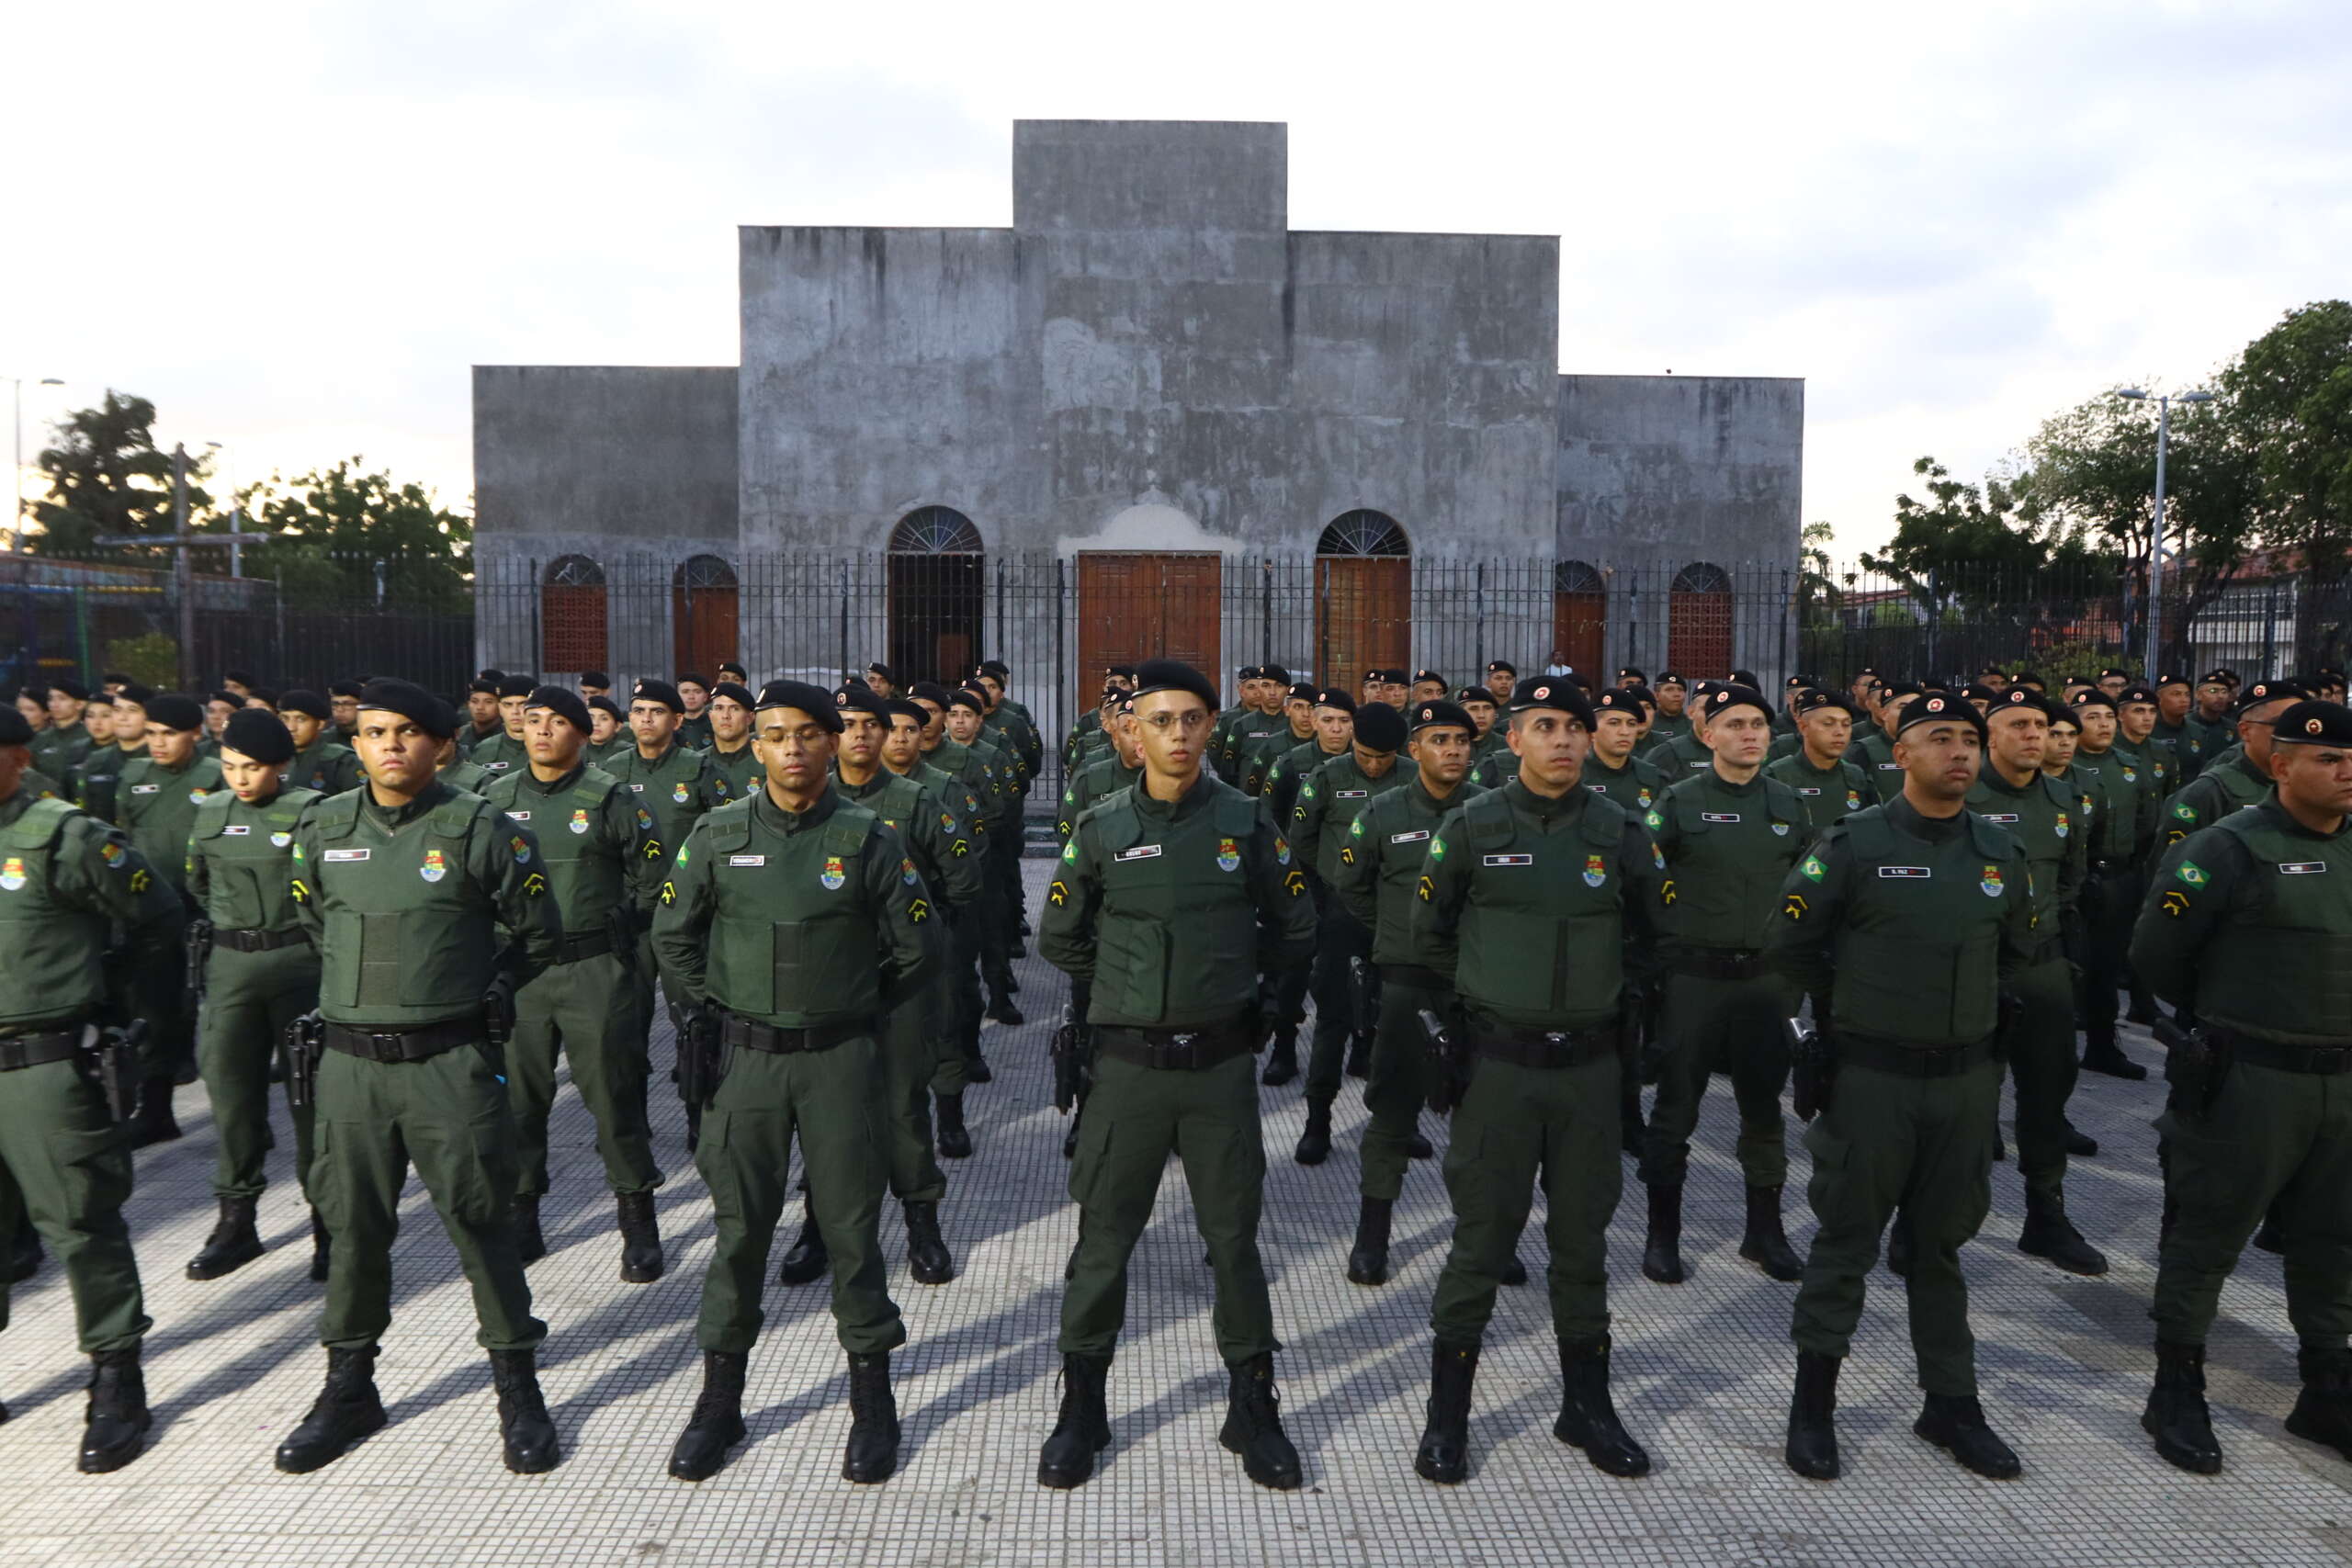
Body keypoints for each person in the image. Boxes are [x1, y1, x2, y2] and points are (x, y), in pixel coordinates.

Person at [1036, 659, 1315, 1493]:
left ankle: (1253, 1403)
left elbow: (1293, 920)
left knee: (1232, 1239)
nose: (1180, 735)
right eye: (1162, 720)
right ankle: (1083, 1404)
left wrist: (1247, 994)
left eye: (1194, 718)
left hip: (1221, 1068)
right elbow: (1060, 936)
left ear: (1212, 726)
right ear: (1135, 729)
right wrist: (1126, 993)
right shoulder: (1102, 823)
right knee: (1104, 1241)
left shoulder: (1244, 818)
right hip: (1127, 1070)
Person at [274, 679, 561, 1476]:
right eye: (372, 732)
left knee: (480, 1220)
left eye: (407, 731)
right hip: (351, 1068)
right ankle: (350, 1386)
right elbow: (311, 919)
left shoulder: (479, 828)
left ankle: (517, 1383)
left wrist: (484, 989)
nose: (389, 745)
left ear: (441, 744)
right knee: (352, 1227)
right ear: (355, 742)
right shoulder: (322, 826)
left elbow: (538, 932)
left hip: (449, 1063)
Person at [653, 679, 933, 1485]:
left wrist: (855, 1003)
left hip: (840, 1061)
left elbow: (918, 948)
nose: (794, 749)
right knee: (740, 1230)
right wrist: (708, 1012)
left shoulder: (866, 837)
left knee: (850, 1228)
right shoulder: (716, 833)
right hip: (746, 1062)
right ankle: (720, 1400)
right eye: (776, 735)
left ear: (834, 740)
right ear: (758, 745)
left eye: (810, 733)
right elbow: (673, 934)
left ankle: (872, 1402)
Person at [1768, 691, 2035, 1482]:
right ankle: (1814, 1404)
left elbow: (2020, 953)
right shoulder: (1853, 842)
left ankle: (1950, 1402)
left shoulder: (1998, 850)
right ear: (1902, 755)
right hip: (1873, 1080)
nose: (1959, 752)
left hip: (1962, 1083)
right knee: (1846, 1239)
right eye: (1939, 738)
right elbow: (1790, 942)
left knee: (1940, 1245)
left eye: (1968, 739)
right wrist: (1843, 1018)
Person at [1407, 675, 1665, 1485]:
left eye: (1574, 727)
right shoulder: (1473, 826)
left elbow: (1653, 937)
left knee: (1583, 1241)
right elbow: (1431, 936)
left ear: (1591, 742)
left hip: (1589, 1070)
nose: (1562, 739)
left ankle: (1586, 1406)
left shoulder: (1620, 830)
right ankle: (1448, 1418)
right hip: (1501, 1069)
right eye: (1543, 725)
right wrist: (1492, 1003)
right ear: (1512, 740)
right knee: (1481, 1240)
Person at [2132, 698, 2352, 1474]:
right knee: (2207, 1234)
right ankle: (2176, 1385)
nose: (2346, 769)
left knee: (2334, 1239)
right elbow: (2158, 957)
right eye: (2327, 758)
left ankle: (2327, 1382)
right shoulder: (2228, 846)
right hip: (2251, 1078)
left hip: (2342, 1081)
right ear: (2281, 764)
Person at [0, 703, 184, 1472]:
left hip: (44, 1062)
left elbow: (156, 917)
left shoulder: (63, 835)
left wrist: (117, 1012)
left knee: (80, 1219)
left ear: (15, 754)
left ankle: (116, 1376)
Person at [482, 686, 668, 1280]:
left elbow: (655, 871)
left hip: (595, 970)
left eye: (557, 722)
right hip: (525, 972)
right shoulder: (495, 800)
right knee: (519, 1101)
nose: (540, 731)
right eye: (532, 720)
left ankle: (638, 1220)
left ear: (583, 734)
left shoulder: (610, 797)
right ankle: (523, 1214)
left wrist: (628, 926)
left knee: (614, 1097)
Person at [1638, 684, 1808, 1287]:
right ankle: (1664, 1236)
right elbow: (1642, 877)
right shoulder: (1679, 801)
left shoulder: (1790, 803)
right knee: (1675, 1108)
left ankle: (1764, 1232)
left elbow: (1809, 890)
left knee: (1764, 1108)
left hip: (1765, 983)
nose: (1750, 734)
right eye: (1735, 723)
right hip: (1696, 980)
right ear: (1707, 735)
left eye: (1759, 724)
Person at [1329, 697, 1480, 1284]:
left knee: (1483, 1116)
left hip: (1475, 983)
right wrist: (1398, 934)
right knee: (1392, 1111)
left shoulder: (1492, 813)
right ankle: (1373, 1238)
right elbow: (1352, 884)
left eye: (1462, 741)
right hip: (1407, 982)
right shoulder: (1383, 812)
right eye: (1439, 740)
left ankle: (1484, 1233)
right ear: (1414, 749)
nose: (1453, 751)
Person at [183, 710, 327, 1282]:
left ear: (282, 766)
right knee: (231, 1094)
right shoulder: (211, 812)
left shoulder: (310, 813)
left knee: (311, 1101)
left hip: (297, 965)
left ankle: (329, 1225)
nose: (240, 779)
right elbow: (197, 880)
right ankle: (236, 1221)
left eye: (252, 768)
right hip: (230, 968)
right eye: (230, 767)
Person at [1966, 688, 2103, 1274]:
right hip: (1971, 969)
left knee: (2047, 1096)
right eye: (2018, 724)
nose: (2033, 735)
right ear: (1991, 737)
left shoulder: (2065, 800)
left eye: (2041, 726)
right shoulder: (1960, 797)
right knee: (1966, 1100)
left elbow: (2070, 881)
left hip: (2042, 969)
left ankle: (2045, 1217)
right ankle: (1934, 1216)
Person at [1289, 699, 1415, 1162]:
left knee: (1400, 1019)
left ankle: (1400, 1120)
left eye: (1384, 757)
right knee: (1334, 1015)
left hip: (1400, 916)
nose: (1375, 764)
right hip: (1342, 912)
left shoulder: (1413, 778)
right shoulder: (1328, 777)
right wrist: (1321, 895)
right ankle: (1317, 1120)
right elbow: (1300, 840)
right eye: (1366, 754)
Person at [116, 693, 224, 1142]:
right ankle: (157, 1109)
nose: (157, 744)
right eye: (152, 734)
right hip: (150, 913)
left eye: (169, 734)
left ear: (195, 734)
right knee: (154, 1009)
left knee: (220, 1015)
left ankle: (243, 1112)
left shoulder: (216, 775)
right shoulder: (133, 775)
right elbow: (121, 840)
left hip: (206, 912)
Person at [1256, 689, 1354, 1085]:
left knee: (1351, 970)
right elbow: (1269, 819)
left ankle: (1362, 1044)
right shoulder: (1291, 764)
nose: (1336, 729)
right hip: (1299, 882)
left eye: (1344, 721)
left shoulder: (1367, 766)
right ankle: (1284, 1046)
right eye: (1328, 720)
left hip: (1350, 888)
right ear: (1313, 722)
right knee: (1292, 968)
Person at [2067, 690, 2149, 1080]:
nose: (2102, 724)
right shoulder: (2065, 767)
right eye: (2092, 717)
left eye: (2107, 717)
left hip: (2117, 877)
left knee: (2105, 966)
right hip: (2076, 881)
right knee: (2070, 968)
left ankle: (2102, 1047)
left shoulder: (2129, 765)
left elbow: (2147, 822)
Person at [2159, 679, 2308, 852]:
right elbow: (2176, 865)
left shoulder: (2312, 786)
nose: (2292, 734)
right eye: (2279, 725)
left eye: (2299, 726)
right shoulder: (2210, 792)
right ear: (2245, 731)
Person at [1768, 690, 1871, 839]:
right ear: (1803, 728)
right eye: (1828, 724)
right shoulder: (1777, 776)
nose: (1839, 732)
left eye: (1846, 724)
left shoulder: (1857, 777)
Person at [1581, 688, 1666, 814]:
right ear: (1593, 730)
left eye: (1631, 724)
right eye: (1614, 723)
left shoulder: (1653, 778)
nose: (1625, 732)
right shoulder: (1572, 776)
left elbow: (1659, 822)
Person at [278, 690, 364, 795]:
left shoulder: (342, 761)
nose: (291, 727)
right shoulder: (273, 760)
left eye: (301, 719)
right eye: (284, 719)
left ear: (320, 724)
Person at [701, 680, 762, 801]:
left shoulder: (766, 760)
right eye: (719, 708)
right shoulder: (698, 763)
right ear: (710, 716)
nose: (725, 716)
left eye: (735, 709)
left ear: (750, 718)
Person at [457, 678, 503, 755]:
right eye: (474, 701)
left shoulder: (508, 735)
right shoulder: (459, 735)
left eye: (488, 702)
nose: (480, 707)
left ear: (500, 705)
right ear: (468, 704)